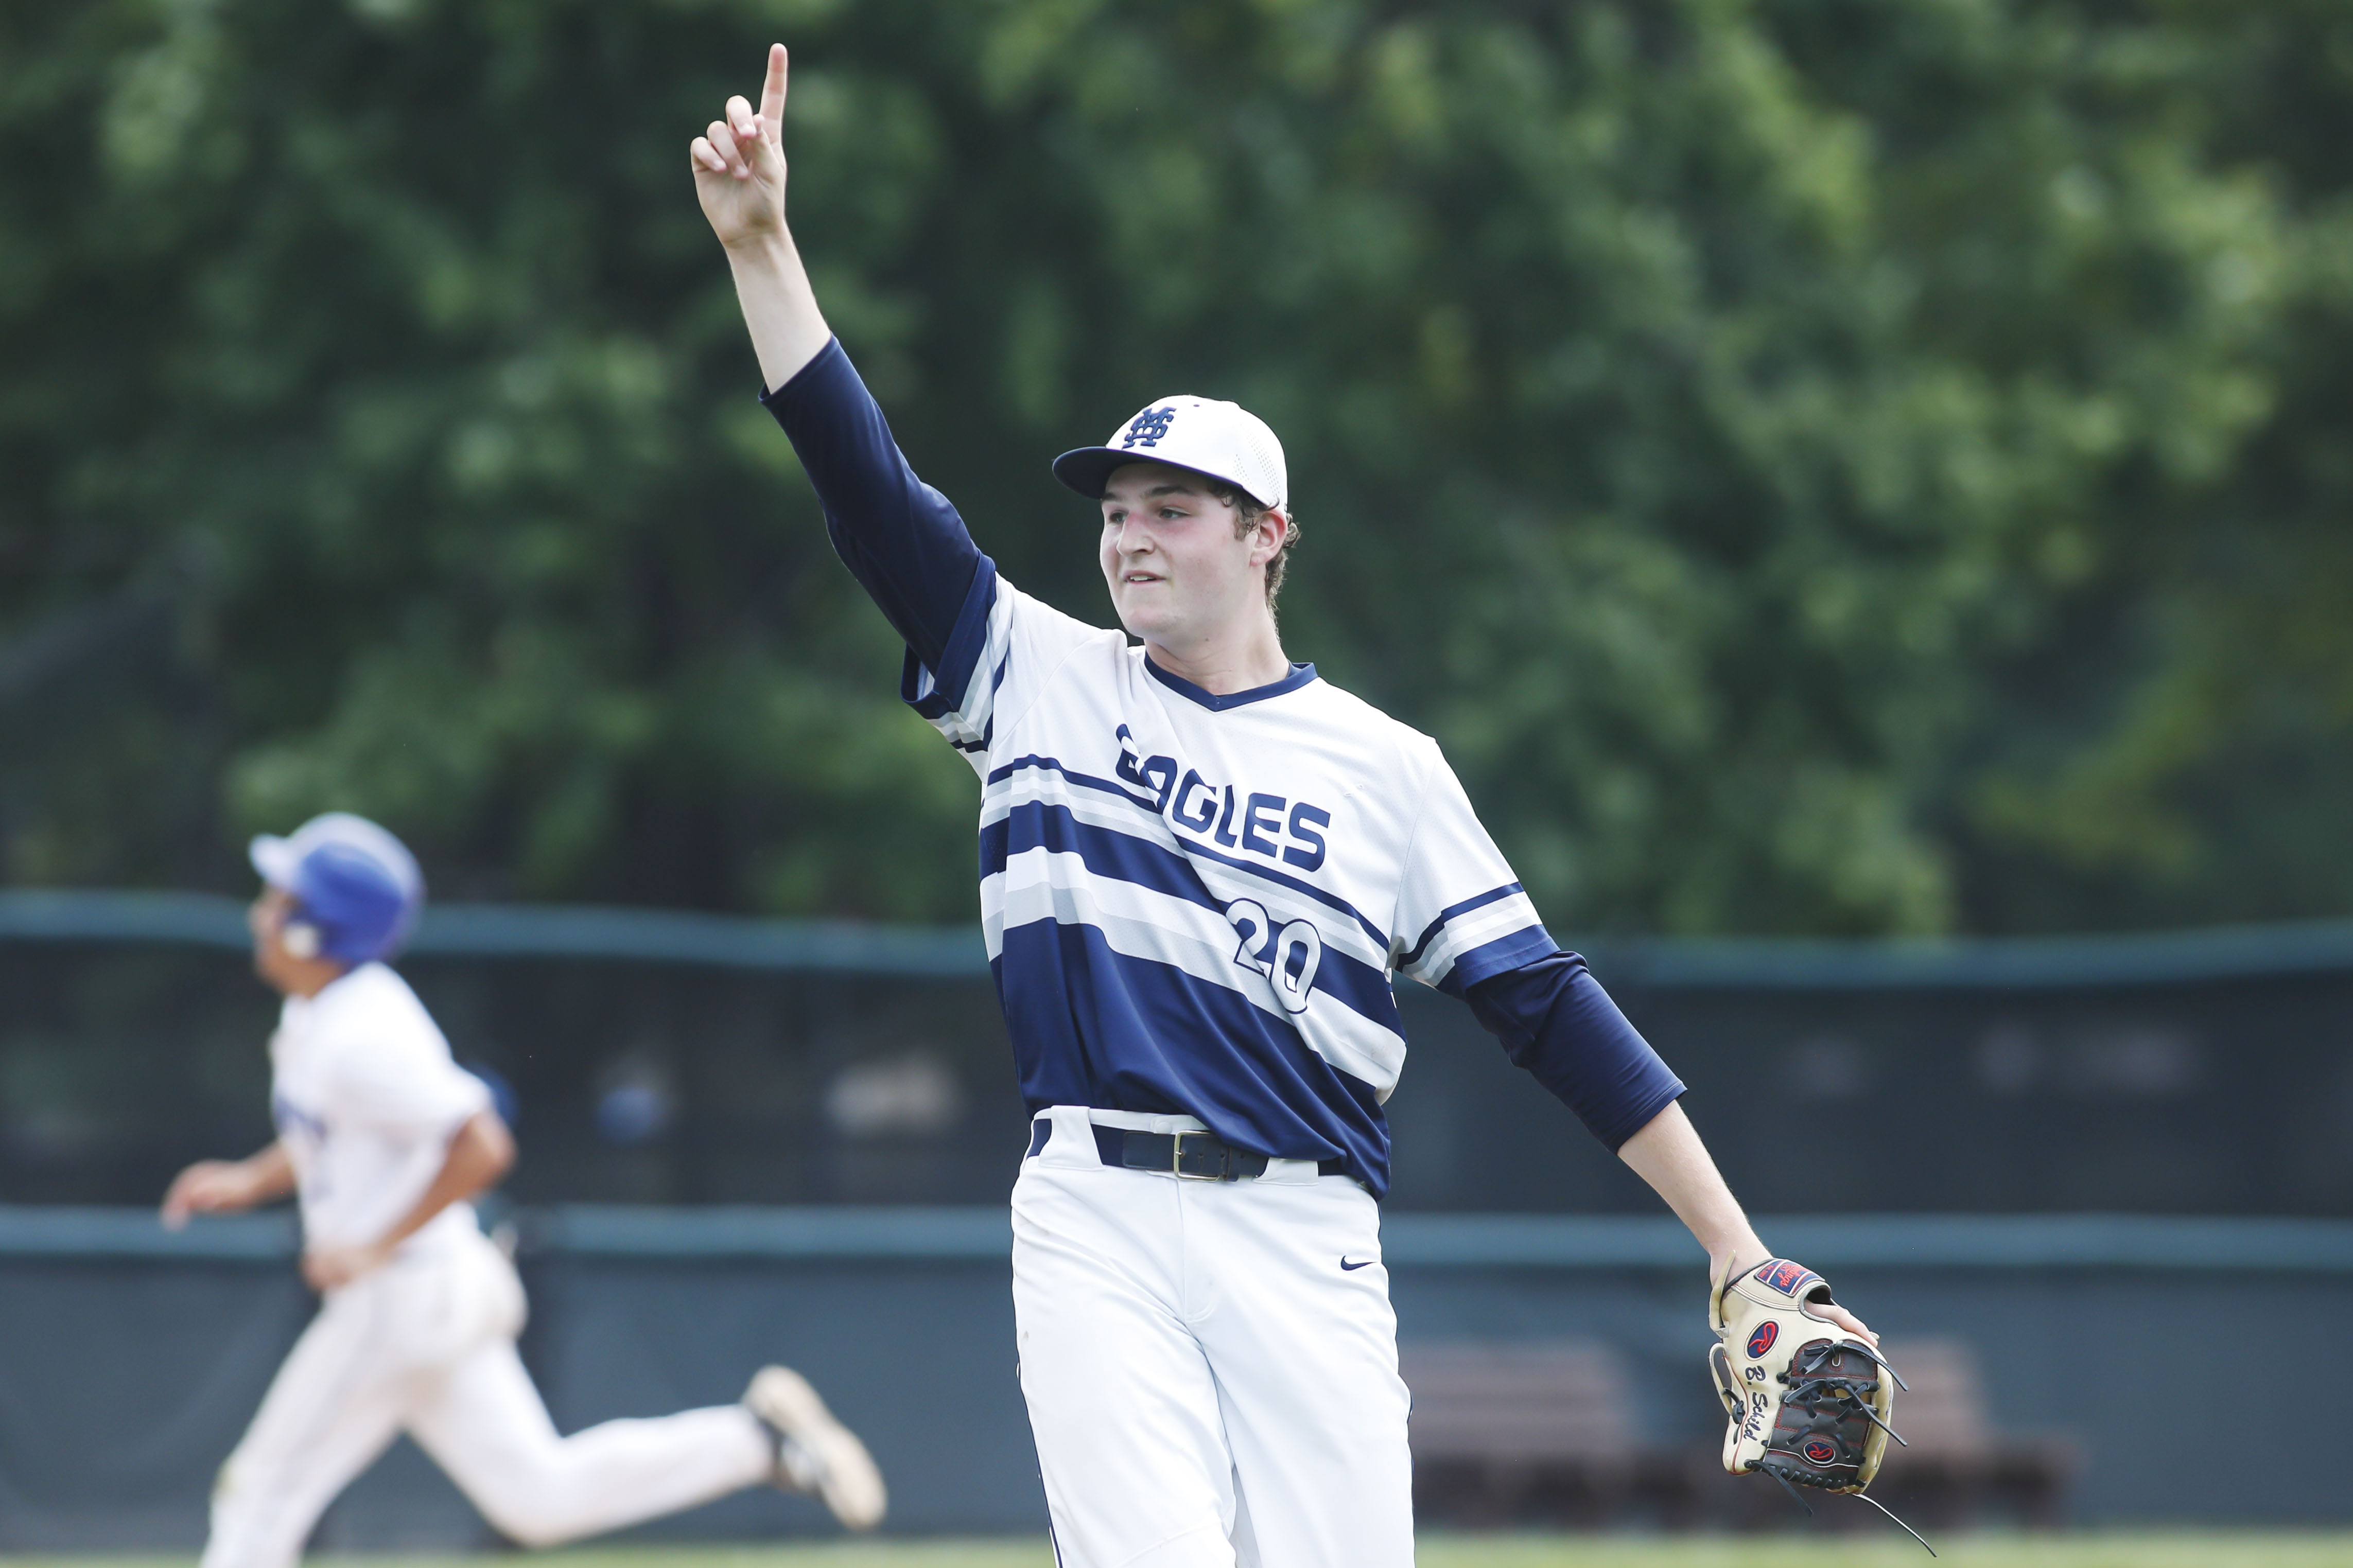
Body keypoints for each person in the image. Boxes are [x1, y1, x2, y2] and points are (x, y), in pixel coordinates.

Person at [690, 46, 1878, 1566]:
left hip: (1301, 1235)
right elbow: (869, 494)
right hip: (1093, 1211)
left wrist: (1733, 1246)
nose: (1128, 537)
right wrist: (765, 250)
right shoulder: (1035, 679)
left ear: (1267, 540)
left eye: (1169, 509)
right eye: (1114, 511)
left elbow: (1546, 1009)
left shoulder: (1382, 767)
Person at [160, 812, 884, 1568]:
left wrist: (371, 1243)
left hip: (398, 1297)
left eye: (281, 902)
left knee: (262, 1493)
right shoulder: (320, 1012)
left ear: (319, 931)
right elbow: (331, 1134)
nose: (261, 916)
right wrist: (250, 1180)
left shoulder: (359, 1035)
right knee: (540, 1497)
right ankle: (753, 1443)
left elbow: (482, 1145)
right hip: (437, 1287)